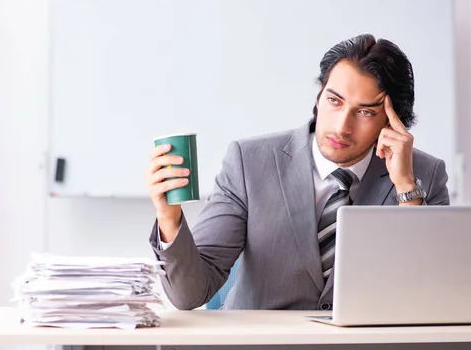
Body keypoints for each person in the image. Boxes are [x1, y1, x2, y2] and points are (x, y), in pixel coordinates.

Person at [144, 34, 450, 311]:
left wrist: (406, 189)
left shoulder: (425, 175)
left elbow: (432, 294)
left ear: (392, 120)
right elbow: (190, 295)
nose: (342, 126)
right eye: (334, 100)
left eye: (365, 112)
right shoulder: (248, 162)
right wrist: (169, 219)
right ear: (319, 96)